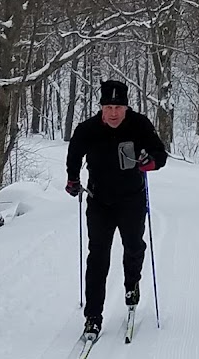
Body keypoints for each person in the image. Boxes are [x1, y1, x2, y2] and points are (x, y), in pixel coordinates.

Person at [66, 79, 167, 336]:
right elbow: (74, 153)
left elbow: (160, 154)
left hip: (131, 199)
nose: (113, 113)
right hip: (99, 200)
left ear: (126, 107)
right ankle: (93, 316)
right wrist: (73, 179)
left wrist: (150, 163)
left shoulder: (139, 125)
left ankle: (132, 285)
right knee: (98, 256)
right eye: (108, 107)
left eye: (118, 107)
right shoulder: (88, 129)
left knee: (134, 246)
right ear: (101, 107)